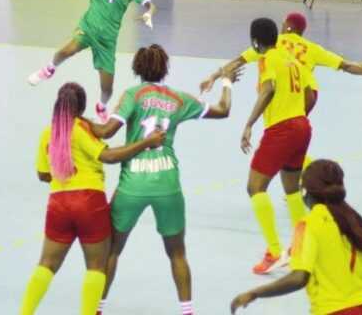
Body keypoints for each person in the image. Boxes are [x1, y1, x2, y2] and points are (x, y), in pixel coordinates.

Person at [86, 44, 240, 315]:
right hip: (168, 183)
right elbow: (224, 109)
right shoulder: (180, 99)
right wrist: (226, 81)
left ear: (136, 69)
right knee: (177, 253)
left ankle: (97, 309)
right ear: (165, 69)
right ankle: (187, 310)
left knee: (111, 250)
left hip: (133, 184)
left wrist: (75, 120)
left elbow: (107, 132)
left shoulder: (133, 95)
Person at [19, 82, 166, 315]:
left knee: (46, 265)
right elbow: (107, 156)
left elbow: (42, 174)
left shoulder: (48, 133)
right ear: (82, 107)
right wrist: (146, 142)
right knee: (97, 267)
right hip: (89, 202)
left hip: (58, 203)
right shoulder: (81, 128)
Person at [200, 12, 362, 168]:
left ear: (288, 27)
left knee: (283, 142)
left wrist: (213, 77)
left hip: (286, 94)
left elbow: (238, 61)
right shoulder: (312, 48)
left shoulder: (272, 44)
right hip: (308, 93)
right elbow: (347, 66)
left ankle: (311, 175)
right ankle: (303, 177)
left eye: (283, 23)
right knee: (293, 141)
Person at [230, 159, 362, 315]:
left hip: (334, 310)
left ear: (306, 191)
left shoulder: (308, 224)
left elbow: (299, 277)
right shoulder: (352, 217)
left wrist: (255, 293)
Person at [27, 0, 156, 123]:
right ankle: (48, 70)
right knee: (66, 50)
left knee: (107, 89)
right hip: (88, 29)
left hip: (107, 41)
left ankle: (101, 106)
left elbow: (150, 4)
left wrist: (148, 13)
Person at [240, 17, 316, 274]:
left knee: (255, 187)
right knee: (292, 190)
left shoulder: (268, 59)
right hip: (302, 126)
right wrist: (297, 115)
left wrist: (250, 123)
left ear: (255, 40)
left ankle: (273, 251)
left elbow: (268, 89)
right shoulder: (292, 59)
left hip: (281, 130)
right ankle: (301, 247)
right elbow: (309, 94)